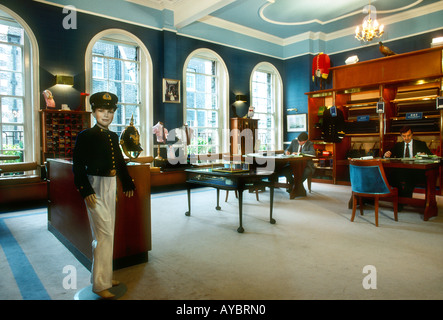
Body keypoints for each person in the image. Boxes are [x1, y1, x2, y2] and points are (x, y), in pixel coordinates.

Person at [73, 92, 135, 299]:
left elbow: (119, 161)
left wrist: (126, 182)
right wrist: (85, 189)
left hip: (110, 185)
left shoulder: (113, 136)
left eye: (110, 111)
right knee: (104, 235)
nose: (106, 115)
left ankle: (104, 277)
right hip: (94, 186)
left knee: (107, 234)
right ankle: (100, 285)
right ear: (93, 112)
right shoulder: (85, 136)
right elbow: (78, 166)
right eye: (101, 111)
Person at [383, 125, 433, 198]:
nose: (406, 138)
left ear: (412, 134)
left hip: (416, 171)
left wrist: (424, 155)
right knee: (389, 177)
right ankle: (402, 197)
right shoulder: (398, 145)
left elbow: (431, 156)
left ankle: (402, 200)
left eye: (408, 135)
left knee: (410, 178)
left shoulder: (421, 144)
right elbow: (388, 155)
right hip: (401, 171)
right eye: (404, 136)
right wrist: (386, 155)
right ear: (401, 136)